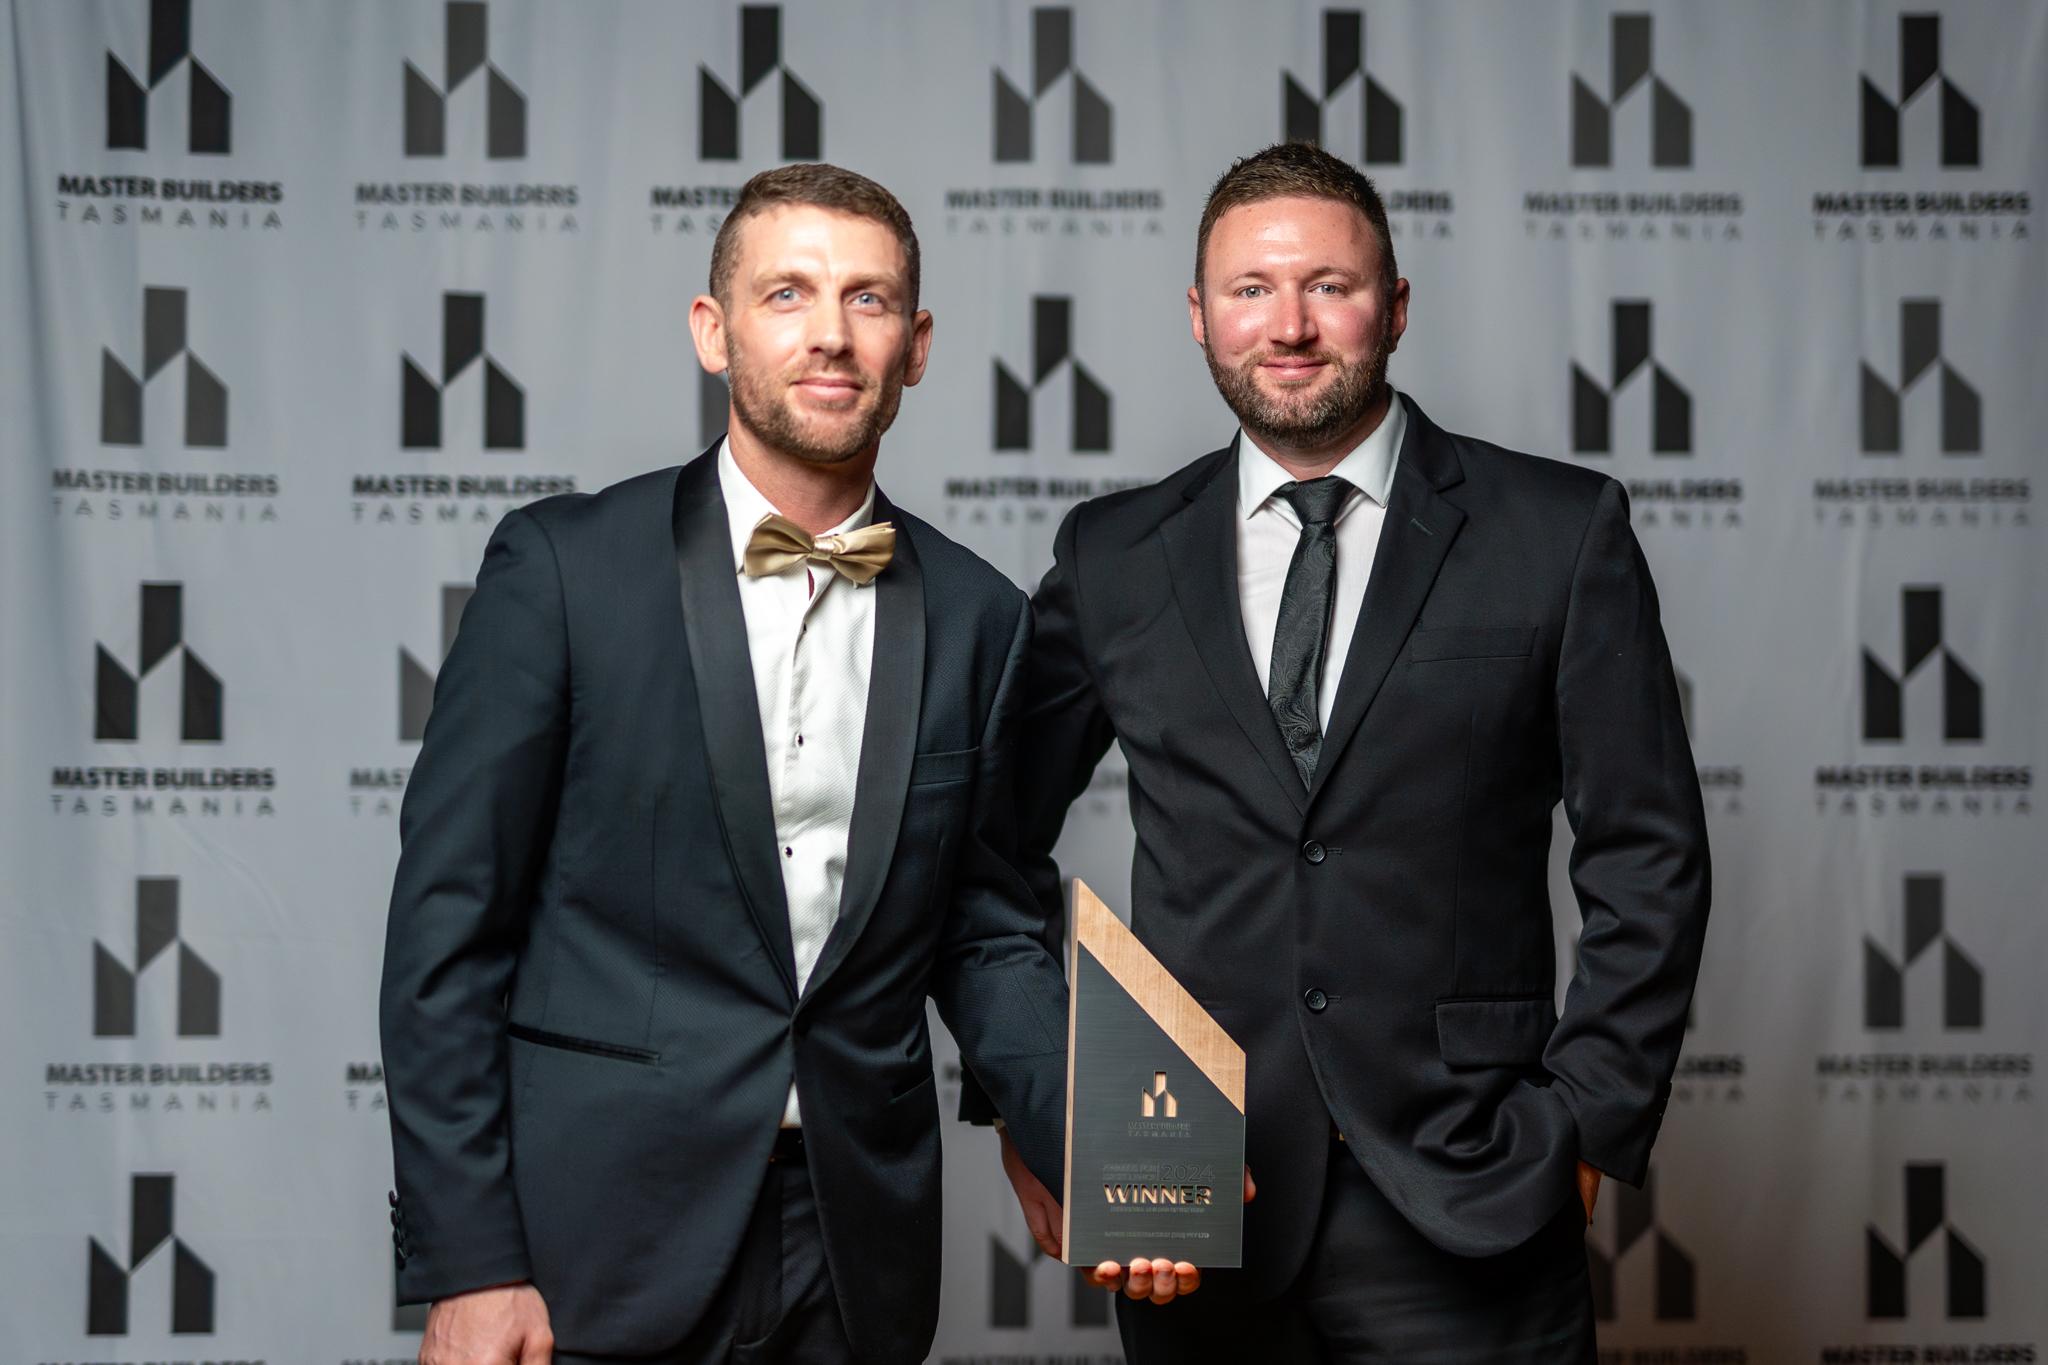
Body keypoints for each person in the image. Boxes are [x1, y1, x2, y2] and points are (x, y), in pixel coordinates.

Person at [993, 141, 1711, 1362]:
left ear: (1394, 306)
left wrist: (1587, 1125)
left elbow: (1648, 856)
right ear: (1197, 314)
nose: (1288, 325)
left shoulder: (1556, 531)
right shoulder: (1111, 556)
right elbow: (986, 849)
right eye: (1250, 289)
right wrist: (1047, 1109)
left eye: (1327, 285)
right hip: (1198, 1206)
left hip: (1471, 1193)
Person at [379, 163, 1078, 1365]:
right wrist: (472, 1260)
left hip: (852, 1248)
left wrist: (1082, 1136)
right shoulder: (564, 572)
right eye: (786, 294)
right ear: (714, 332)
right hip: (589, 1242)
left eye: (867, 299)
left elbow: (982, 929)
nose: (830, 334)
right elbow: (447, 932)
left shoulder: (982, 619)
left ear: (914, 348)